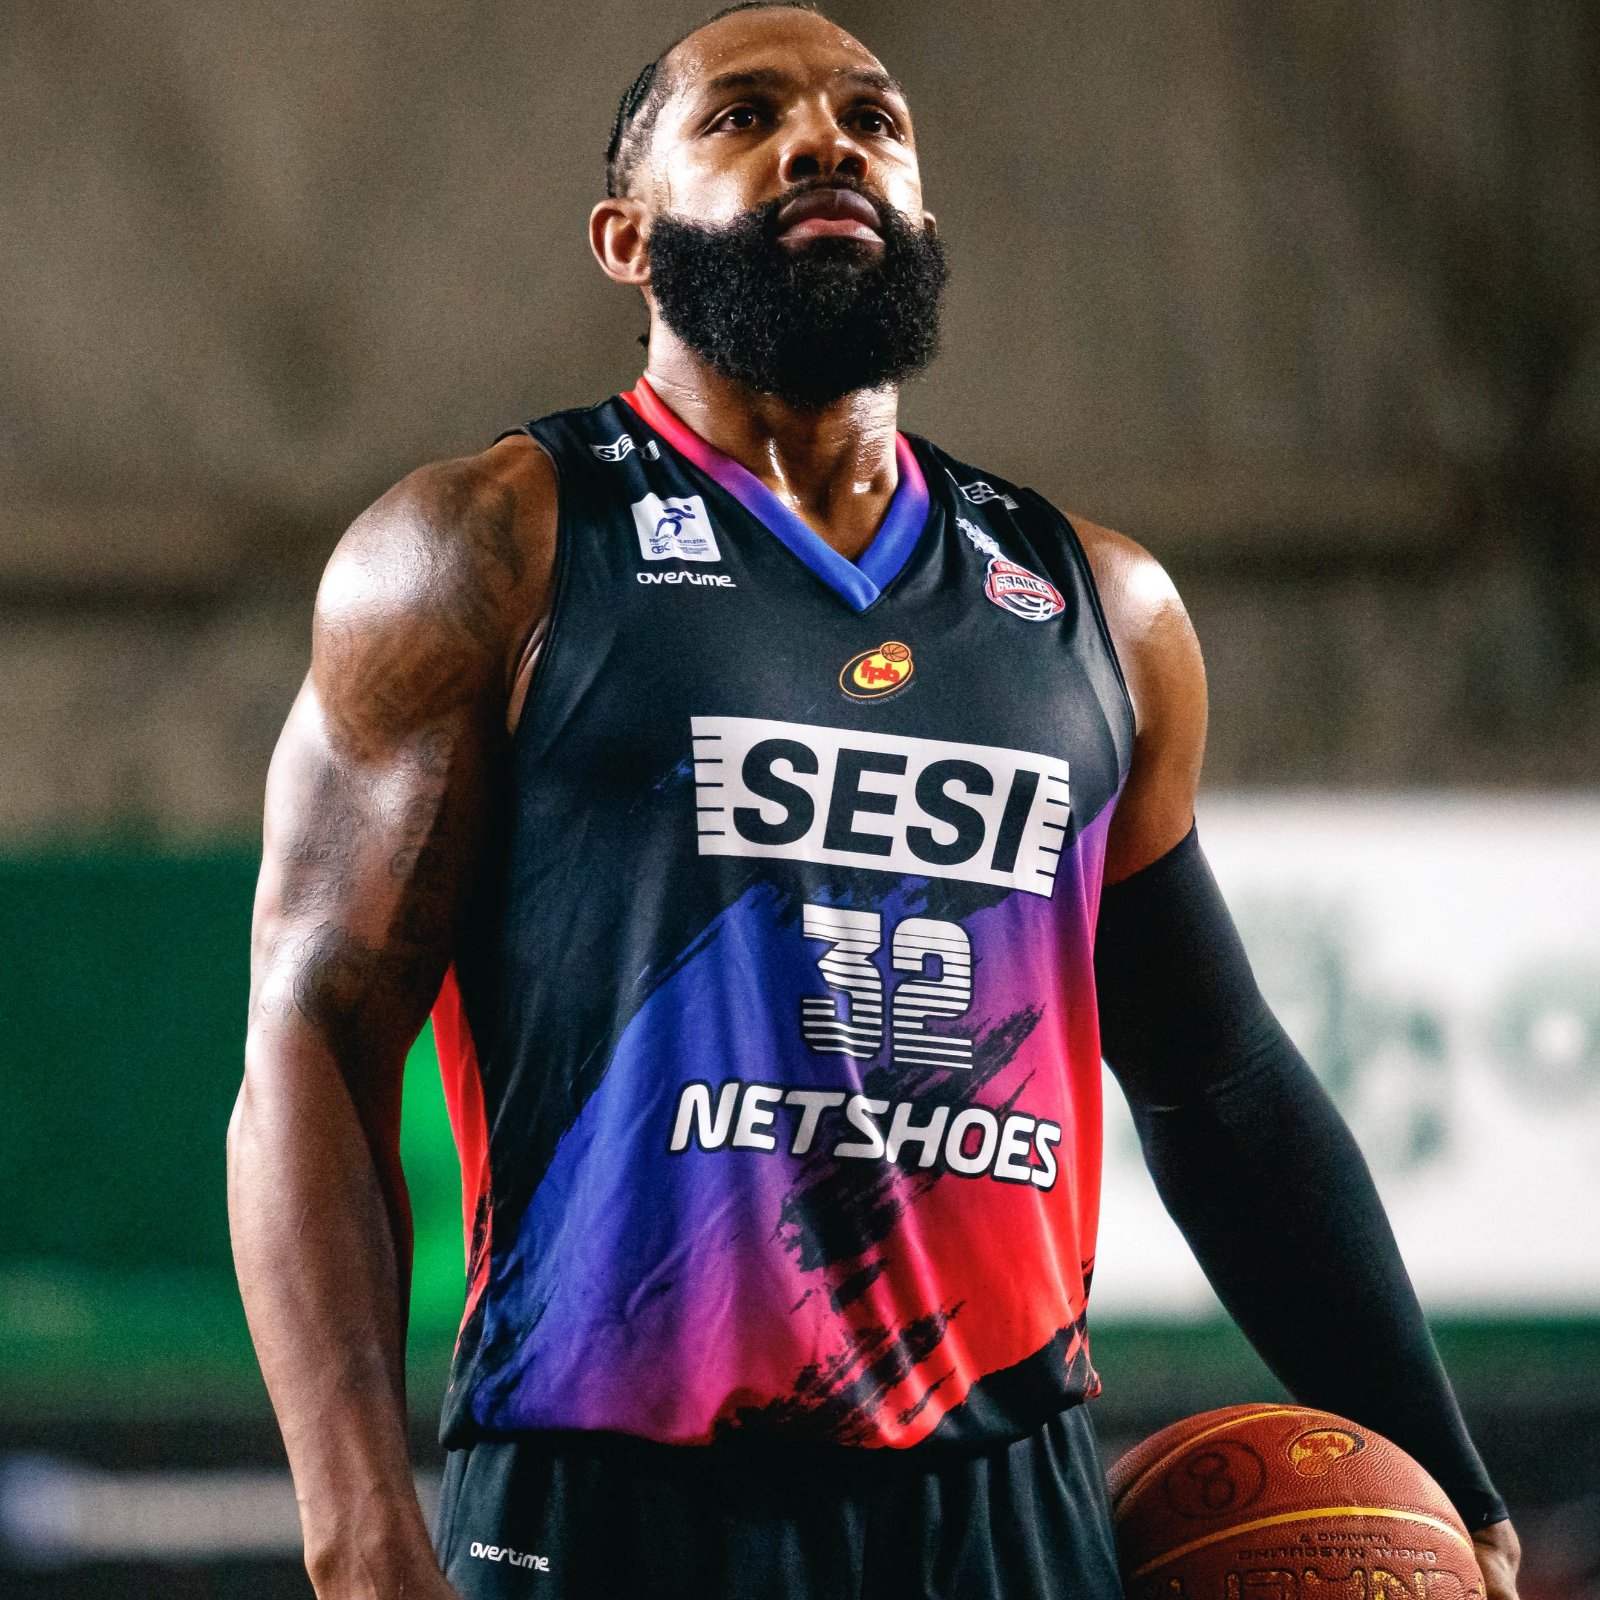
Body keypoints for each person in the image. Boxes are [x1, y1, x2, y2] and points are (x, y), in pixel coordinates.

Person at [226, 4, 1523, 1597]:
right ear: (627, 239)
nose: (823, 141)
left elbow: (1220, 1080)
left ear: (917, 210)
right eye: (743, 116)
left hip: (1004, 1502)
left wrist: (1453, 1476)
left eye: (873, 118)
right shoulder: (484, 551)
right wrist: (359, 1531)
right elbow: (312, 1037)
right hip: (608, 1490)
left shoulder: (1099, 609)